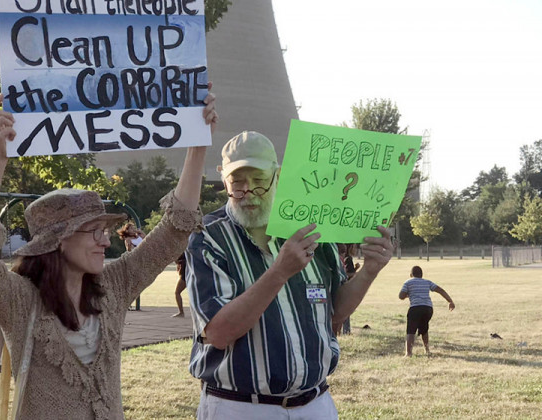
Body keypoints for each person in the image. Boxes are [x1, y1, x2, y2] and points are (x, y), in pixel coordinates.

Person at [0, 92, 217, 419]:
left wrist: (197, 143)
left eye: (105, 229)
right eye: (93, 230)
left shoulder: (114, 287)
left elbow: (173, 232)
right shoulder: (19, 301)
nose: (105, 240)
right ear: (58, 242)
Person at [186, 131, 392, 419]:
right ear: (224, 181)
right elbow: (218, 333)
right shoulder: (208, 237)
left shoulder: (311, 230)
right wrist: (279, 272)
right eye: (238, 183)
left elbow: (335, 312)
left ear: (278, 176)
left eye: (259, 182)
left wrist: (370, 270)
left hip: (316, 403)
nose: (248, 194)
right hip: (240, 407)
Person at [398, 265, 455, 357]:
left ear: (410, 274)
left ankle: (408, 353)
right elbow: (440, 290)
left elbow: (401, 296)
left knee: (411, 330)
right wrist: (450, 301)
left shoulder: (408, 282)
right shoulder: (427, 282)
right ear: (422, 275)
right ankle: (427, 350)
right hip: (428, 308)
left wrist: (408, 295)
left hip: (415, 308)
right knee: (424, 328)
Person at [172, 252, 187, 317]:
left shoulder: (182, 252)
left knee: (177, 292)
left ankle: (181, 312)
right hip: (189, 273)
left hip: (185, 275)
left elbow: (176, 260)